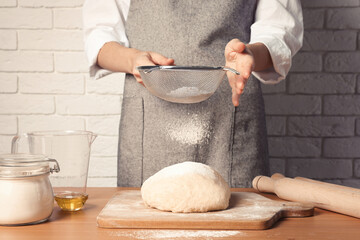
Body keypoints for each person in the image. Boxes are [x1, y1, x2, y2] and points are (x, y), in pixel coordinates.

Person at [83, 0, 303, 188]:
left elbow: (278, 30)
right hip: (149, 114)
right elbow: (99, 33)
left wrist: (250, 54)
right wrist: (133, 60)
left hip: (230, 114)